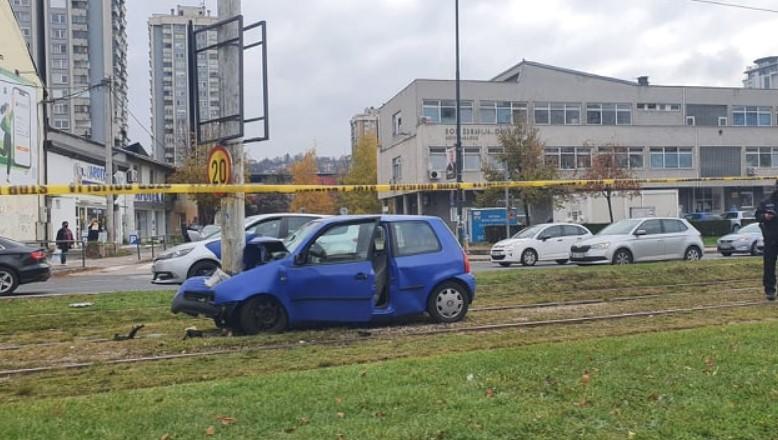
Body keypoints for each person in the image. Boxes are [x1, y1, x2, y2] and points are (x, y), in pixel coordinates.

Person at [755, 182, 778, 301]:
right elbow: (757, 215)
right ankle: (770, 290)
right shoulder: (767, 202)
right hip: (771, 238)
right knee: (769, 265)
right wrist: (765, 217)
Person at [0, 103, 13, 182]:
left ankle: (8, 176)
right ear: (5, 109)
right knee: (4, 153)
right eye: (8, 108)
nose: (9, 109)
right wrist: (7, 130)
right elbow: (1, 126)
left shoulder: (10, 116)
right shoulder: (4, 119)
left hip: (10, 137)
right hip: (7, 136)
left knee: (9, 157)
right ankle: (8, 176)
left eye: (9, 108)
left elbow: (13, 111)